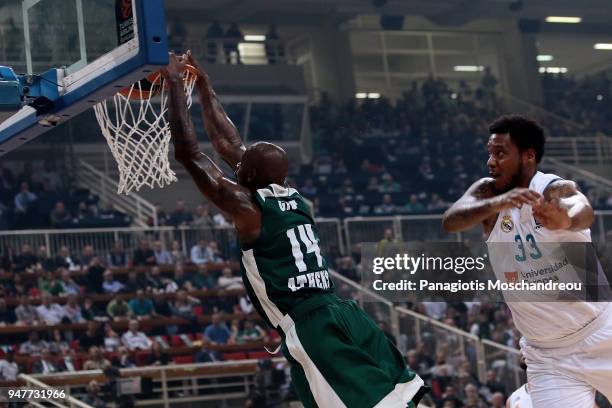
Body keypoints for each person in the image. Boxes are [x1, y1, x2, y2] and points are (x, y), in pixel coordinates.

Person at [162, 51, 427, 408]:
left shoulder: (249, 207)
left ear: (249, 176)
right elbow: (228, 143)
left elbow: (189, 154)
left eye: (242, 165)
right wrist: (204, 84)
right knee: (399, 397)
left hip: (313, 326)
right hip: (344, 312)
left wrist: (176, 84)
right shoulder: (292, 196)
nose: (235, 161)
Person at [443, 115, 612, 406]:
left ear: (529, 156)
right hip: (548, 357)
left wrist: (564, 219)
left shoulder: (552, 188)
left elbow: (583, 208)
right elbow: (451, 221)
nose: (491, 162)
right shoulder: (488, 193)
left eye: (500, 153)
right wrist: (497, 204)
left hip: (602, 335)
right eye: (489, 153)